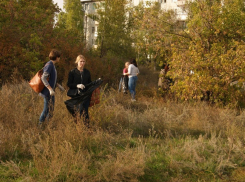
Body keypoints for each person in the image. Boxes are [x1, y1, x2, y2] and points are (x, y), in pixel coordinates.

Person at [39, 49, 63, 125]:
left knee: (51, 109)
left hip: (51, 92)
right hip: (47, 92)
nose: (59, 58)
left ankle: (48, 125)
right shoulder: (49, 65)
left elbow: (51, 78)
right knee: (46, 110)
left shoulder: (52, 65)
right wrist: (50, 89)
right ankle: (40, 126)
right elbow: (43, 78)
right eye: (59, 57)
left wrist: (58, 85)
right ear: (56, 57)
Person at [67, 55, 92, 127]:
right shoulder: (72, 72)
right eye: (81, 61)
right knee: (77, 111)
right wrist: (77, 85)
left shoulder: (87, 72)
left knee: (85, 111)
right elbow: (69, 84)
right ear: (77, 62)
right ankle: (77, 127)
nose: (82, 63)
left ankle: (87, 127)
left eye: (83, 61)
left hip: (85, 94)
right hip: (76, 95)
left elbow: (89, 82)